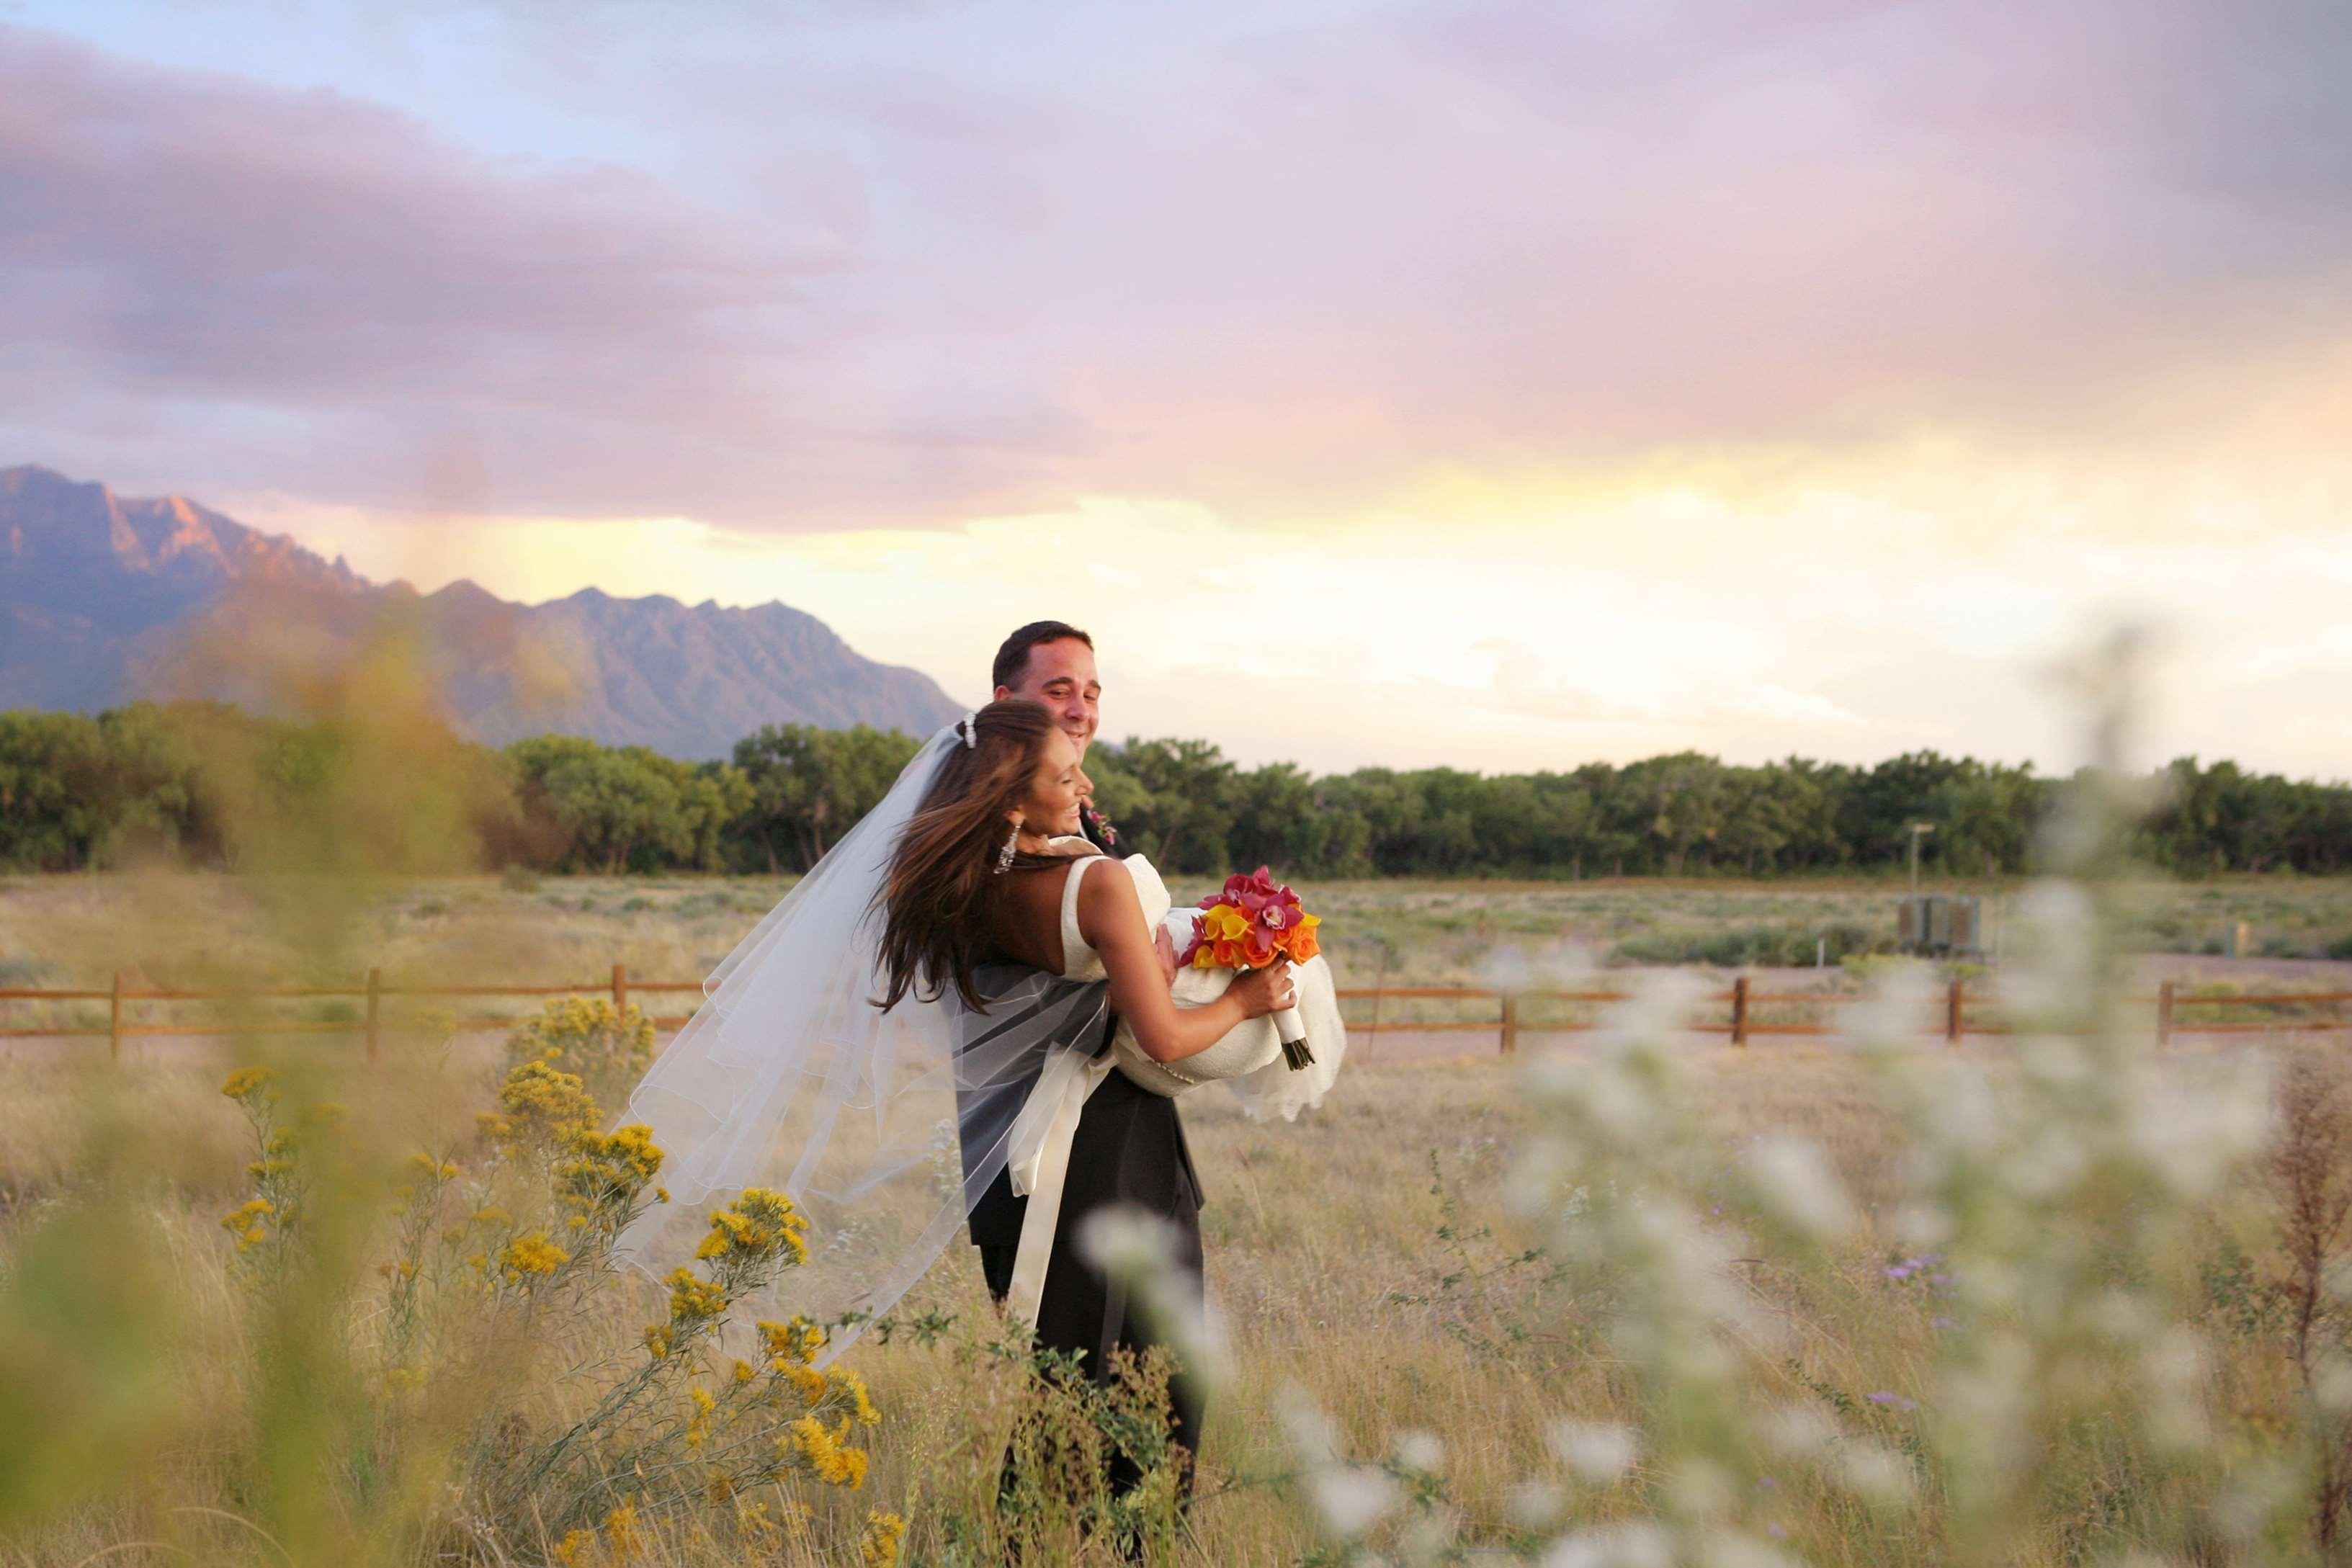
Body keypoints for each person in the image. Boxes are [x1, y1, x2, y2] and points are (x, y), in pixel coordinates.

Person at [877, 701, 1289, 1502]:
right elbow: (1164, 1036)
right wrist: (1246, 997)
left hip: (1005, 1158)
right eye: (1065, 775)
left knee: (1061, 1392)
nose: (1084, 784)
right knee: (1156, 1383)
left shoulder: (963, 882)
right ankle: (1136, 1544)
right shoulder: (1092, 880)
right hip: (1097, 1155)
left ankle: (1043, 1545)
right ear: (1009, 800)